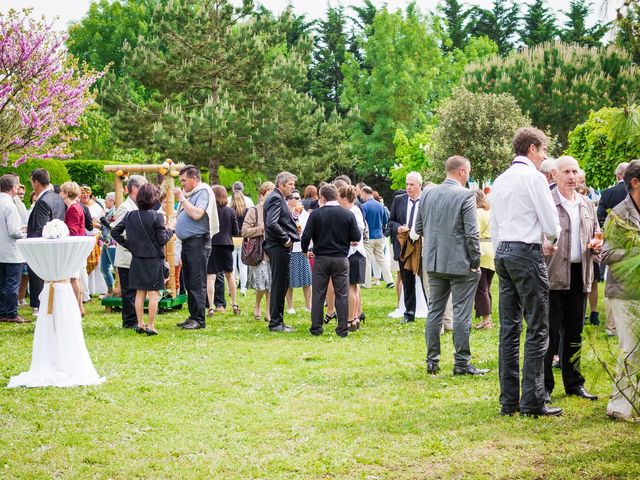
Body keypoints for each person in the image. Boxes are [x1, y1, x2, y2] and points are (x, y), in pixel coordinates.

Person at [490, 127, 562, 417]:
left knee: (509, 329)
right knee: (537, 326)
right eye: (543, 150)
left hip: (503, 252)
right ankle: (532, 399)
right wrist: (551, 241)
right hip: (526, 252)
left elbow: (495, 225)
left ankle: (509, 400)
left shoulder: (500, 179)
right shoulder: (533, 177)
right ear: (532, 148)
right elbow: (551, 222)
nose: (544, 156)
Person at [413, 156, 487, 376]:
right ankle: (462, 363)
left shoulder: (427, 194)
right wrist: (475, 262)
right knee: (461, 314)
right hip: (461, 264)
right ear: (462, 171)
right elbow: (472, 234)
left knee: (434, 312)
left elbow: (418, 227)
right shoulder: (466, 195)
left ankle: (432, 361)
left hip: (434, 261)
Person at [543, 156, 600, 404]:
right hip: (553, 275)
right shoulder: (547, 201)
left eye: (575, 171)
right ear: (554, 174)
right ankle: (544, 386)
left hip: (580, 273)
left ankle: (574, 383)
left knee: (575, 331)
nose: (571, 176)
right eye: (566, 171)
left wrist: (597, 245)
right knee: (550, 333)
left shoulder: (586, 204)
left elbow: (597, 233)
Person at [601, 159, 640, 422]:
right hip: (624, 292)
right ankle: (619, 406)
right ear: (635, 183)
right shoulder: (619, 213)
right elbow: (605, 253)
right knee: (630, 348)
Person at [112, 184, 173, 335]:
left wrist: (130, 246)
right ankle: (151, 325)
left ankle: (140, 323)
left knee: (139, 293)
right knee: (153, 294)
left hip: (137, 259)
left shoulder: (130, 215)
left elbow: (115, 232)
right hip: (153, 260)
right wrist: (171, 229)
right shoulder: (157, 216)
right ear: (154, 199)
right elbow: (162, 240)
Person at [302, 184, 361, 337]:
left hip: (321, 258)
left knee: (318, 293)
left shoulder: (316, 214)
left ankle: (316, 327)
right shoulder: (347, 214)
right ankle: (342, 328)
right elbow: (356, 236)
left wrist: (305, 250)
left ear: (322, 197)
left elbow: (306, 236)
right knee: (342, 293)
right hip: (341, 258)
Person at [174, 165, 219, 330]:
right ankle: (193, 315)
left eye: (184, 180)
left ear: (194, 179)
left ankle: (199, 319)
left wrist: (182, 199)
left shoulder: (203, 191)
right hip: (189, 243)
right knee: (189, 281)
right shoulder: (191, 193)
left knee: (197, 282)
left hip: (198, 242)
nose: (182, 184)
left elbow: (197, 214)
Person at [598, 161, 631, 337]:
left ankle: (611, 327)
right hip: (622, 250)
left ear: (618, 175)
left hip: (615, 244)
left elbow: (600, 217)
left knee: (614, 286)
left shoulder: (608, 193)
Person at [264, 172, 299, 333]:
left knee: (282, 282)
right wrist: (285, 239)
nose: (293, 187)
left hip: (279, 246)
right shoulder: (276, 198)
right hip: (278, 246)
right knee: (279, 284)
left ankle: (278, 320)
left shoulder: (277, 198)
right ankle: (276, 322)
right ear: (281, 184)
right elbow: (272, 223)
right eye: (290, 184)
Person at [27, 168, 65, 314]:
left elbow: (40, 229)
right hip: (56, 245)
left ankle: (39, 306)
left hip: (42, 248)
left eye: (31, 182)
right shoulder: (57, 198)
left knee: (39, 277)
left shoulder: (42, 201)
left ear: (36, 182)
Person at [112, 175, 147, 329]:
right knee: (128, 290)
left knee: (135, 289)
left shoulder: (138, 205)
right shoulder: (125, 208)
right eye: (143, 187)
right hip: (127, 255)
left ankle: (135, 319)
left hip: (137, 255)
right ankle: (129, 321)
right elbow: (118, 231)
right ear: (134, 188)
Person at [389, 172, 423, 324]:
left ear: (419, 186)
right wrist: (398, 228)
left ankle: (431, 308)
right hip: (404, 244)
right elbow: (391, 222)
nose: (408, 187)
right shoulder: (399, 200)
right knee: (406, 277)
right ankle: (409, 312)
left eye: (412, 184)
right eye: (407, 184)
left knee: (425, 278)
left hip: (422, 243)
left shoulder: (426, 200)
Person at [241, 181, 275, 322]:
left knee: (271, 284)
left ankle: (268, 311)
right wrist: (261, 229)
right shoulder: (254, 210)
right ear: (261, 196)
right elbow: (244, 231)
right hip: (259, 252)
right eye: (268, 194)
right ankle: (257, 305)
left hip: (273, 251)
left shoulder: (276, 209)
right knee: (262, 283)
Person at [207, 185, 240, 316]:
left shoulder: (209, 212)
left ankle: (210, 306)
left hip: (212, 244)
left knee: (210, 277)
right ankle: (235, 303)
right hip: (226, 245)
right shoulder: (230, 211)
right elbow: (235, 231)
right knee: (230, 275)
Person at [0, 174, 28, 324]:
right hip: (11, 251)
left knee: (2, 283)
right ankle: (11, 313)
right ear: (13, 188)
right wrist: (25, 232)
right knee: (12, 283)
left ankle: (2, 311)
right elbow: (14, 231)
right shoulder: (10, 205)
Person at [338, 185, 367, 330]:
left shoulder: (353, 211)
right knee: (354, 287)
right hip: (358, 253)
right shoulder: (354, 210)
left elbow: (359, 229)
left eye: (339, 198)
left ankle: (351, 319)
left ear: (344, 199)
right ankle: (355, 317)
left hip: (353, 253)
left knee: (350, 287)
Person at [59, 181, 87, 316]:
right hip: (78, 246)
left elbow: (73, 230)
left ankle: (76, 307)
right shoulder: (76, 207)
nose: (59, 194)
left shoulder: (74, 208)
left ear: (66, 194)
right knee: (77, 278)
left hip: (75, 247)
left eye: (61, 191)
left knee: (74, 278)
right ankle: (80, 307)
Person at [361, 186, 395, 290]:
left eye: (361, 194)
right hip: (380, 236)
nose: (361, 197)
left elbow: (362, 221)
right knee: (381, 259)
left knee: (367, 261)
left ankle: (366, 283)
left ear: (364, 193)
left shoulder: (364, 206)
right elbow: (386, 221)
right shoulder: (381, 206)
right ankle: (390, 281)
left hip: (369, 237)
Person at [285, 190, 312, 314]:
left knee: (307, 280)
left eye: (299, 197)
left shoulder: (305, 214)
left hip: (302, 249)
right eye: (295, 197)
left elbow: (309, 231)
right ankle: (290, 307)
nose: (298, 200)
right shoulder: (285, 212)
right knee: (289, 280)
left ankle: (309, 306)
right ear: (289, 200)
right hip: (289, 249)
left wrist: (309, 247)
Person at [473, 189, 495, 330]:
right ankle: (487, 318)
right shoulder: (490, 213)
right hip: (491, 248)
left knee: (481, 288)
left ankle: (486, 320)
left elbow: (474, 232)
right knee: (487, 286)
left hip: (481, 249)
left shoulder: (476, 213)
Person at [229, 190, 248, 297]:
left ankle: (231, 287)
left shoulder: (230, 211)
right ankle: (243, 288)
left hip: (232, 239)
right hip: (243, 239)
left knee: (231, 266)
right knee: (243, 265)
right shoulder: (247, 211)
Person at [99, 192, 117, 297]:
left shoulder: (116, 211)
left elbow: (113, 227)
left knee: (116, 268)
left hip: (113, 243)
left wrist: (104, 221)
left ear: (112, 201)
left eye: (106, 199)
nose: (105, 201)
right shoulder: (108, 211)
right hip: (106, 242)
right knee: (103, 267)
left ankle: (119, 291)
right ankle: (110, 290)